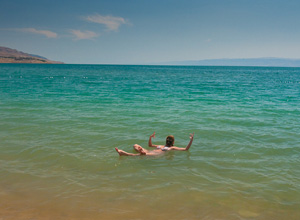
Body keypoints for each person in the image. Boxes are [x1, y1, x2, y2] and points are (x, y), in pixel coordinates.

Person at [115, 132, 194, 156]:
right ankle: (140, 151)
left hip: (153, 154)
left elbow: (185, 149)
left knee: (140, 154)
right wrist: (150, 138)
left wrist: (191, 140)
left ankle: (123, 153)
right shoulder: (163, 146)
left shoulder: (172, 148)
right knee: (135, 145)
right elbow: (150, 145)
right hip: (150, 151)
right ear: (173, 142)